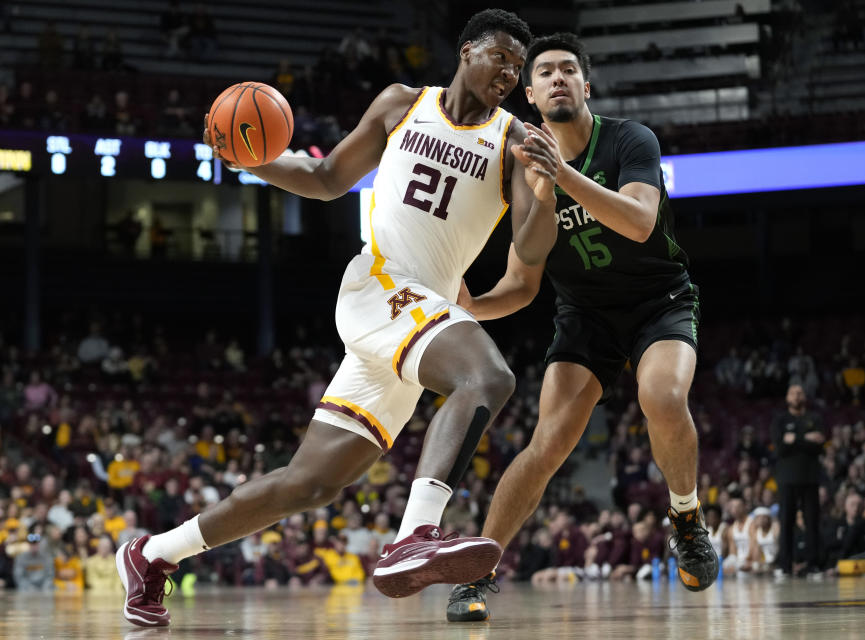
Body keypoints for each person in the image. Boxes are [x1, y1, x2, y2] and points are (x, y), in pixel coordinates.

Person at [116, 9, 557, 628]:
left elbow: (528, 263)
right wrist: (251, 162)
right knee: (488, 377)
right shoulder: (402, 103)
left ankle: (153, 554)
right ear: (466, 51)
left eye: (518, 66)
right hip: (380, 286)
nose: (509, 73)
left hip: (420, 318)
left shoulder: (516, 142)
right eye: (500, 57)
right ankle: (416, 536)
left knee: (310, 483)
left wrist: (545, 187)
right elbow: (326, 179)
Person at [446, 32, 716, 622]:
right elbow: (521, 284)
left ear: (586, 86)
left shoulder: (629, 139)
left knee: (662, 396)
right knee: (545, 447)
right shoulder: (524, 173)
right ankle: (477, 572)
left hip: (658, 299)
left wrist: (563, 175)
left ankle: (687, 516)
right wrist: (470, 307)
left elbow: (642, 222)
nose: (557, 78)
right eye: (544, 73)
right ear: (532, 99)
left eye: (568, 69)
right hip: (585, 315)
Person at [771, 383, 824, 577]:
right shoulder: (780, 420)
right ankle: (785, 566)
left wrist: (794, 439)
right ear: (787, 398)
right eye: (793, 392)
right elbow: (780, 448)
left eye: (800, 392)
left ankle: (813, 565)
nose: (796, 396)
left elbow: (819, 447)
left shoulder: (815, 418)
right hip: (787, 479)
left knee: (812, 522)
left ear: (805, 397)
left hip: (810, 477)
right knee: (786, 522)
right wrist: (807, 439)